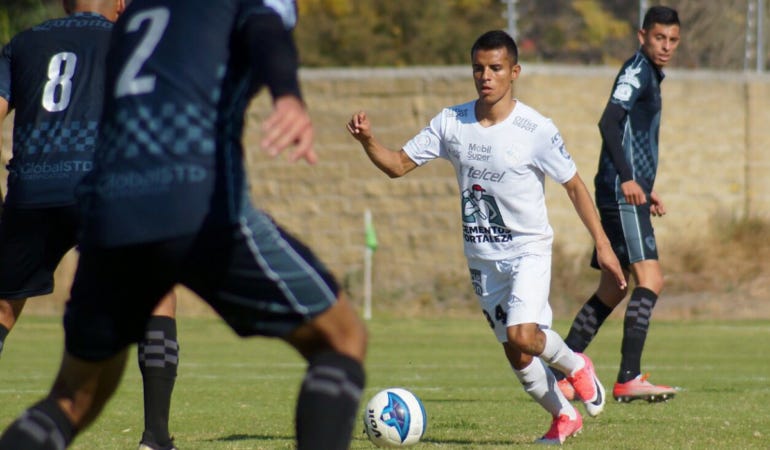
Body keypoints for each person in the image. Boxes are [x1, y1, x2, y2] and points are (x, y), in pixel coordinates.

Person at [0, 0, 367, 449]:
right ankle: (155, 437)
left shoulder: (134, 18)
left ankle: (150, 438)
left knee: (70, 400)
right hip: (196, 202)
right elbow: (266, 28)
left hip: (109, 215)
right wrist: (287, 93)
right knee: (342, 337)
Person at [348, 30, 626, 445]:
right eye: (478, 68)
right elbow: (397, 165)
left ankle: (577, 366)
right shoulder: (451, 122)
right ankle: (564, 417)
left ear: (514, 71)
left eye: (495, 68)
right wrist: (369, 140)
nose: (486, 76)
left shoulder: (535, 128)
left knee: (522, 334)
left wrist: (602, 245)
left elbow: (574, 185)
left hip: (528, 249)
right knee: (516, 353)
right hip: (482, 257)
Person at [0, 2, 180, 449]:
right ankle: (155, 438)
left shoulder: (22, 45)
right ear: (120, 4)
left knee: (2, 307)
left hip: (32, 190)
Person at [552, 6, 681, 404]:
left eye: (673, 40)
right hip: (618, 190)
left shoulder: (648, 73)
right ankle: (628, 377)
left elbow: (631, 135)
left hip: (622, 189)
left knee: (613, 287)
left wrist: (644, 185)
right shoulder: (637, 70)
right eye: (659, 38)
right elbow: (609, 122)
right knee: (651, 279)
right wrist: (627, 179)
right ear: (642, 35)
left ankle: (562, 376)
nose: (666, 46)